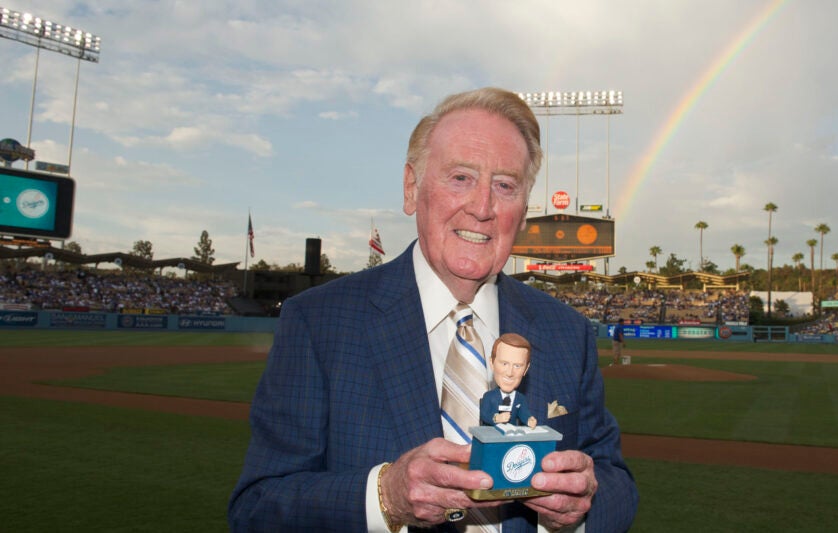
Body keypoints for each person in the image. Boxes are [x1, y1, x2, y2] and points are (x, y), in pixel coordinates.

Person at [228, 87, 638, 532]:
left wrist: (579, 508)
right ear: (412, 188)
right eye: (460, 177)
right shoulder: (318, 322)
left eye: (505, 185)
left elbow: (615, 482)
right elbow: (257, 509)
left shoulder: (567, 332)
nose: (482, 207)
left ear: (522, 212)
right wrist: (385, 497)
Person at [481, 333, 537, 429]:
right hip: (492, 435)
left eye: (517, 366)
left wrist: (529, 420)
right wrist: (496, 418)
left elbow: (524, 413)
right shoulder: (489, 397)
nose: (510, 373)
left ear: (526, 369)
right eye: (504, 363)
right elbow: (484, 414)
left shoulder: (520, 399)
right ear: (492, 363)